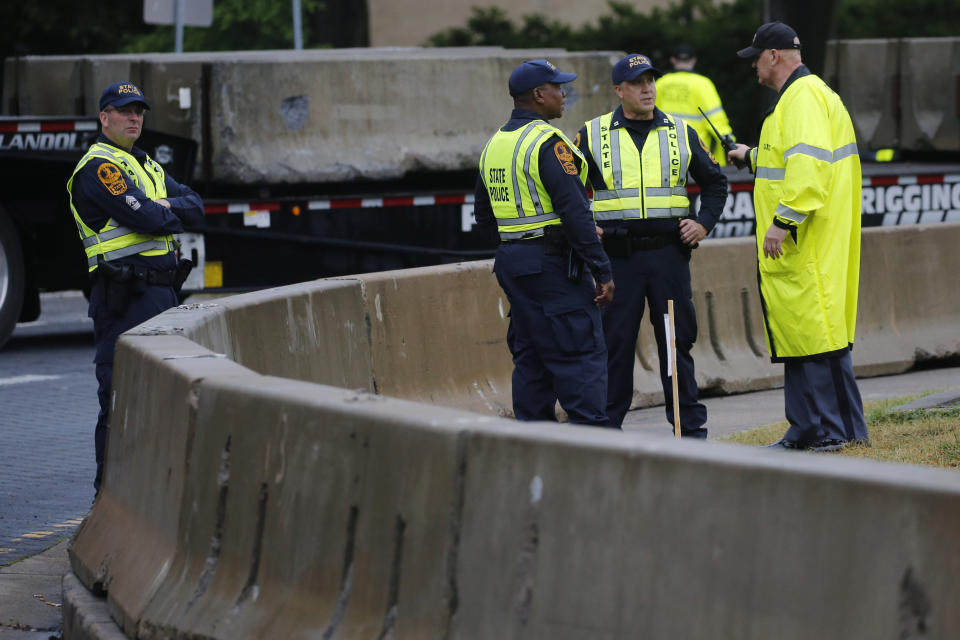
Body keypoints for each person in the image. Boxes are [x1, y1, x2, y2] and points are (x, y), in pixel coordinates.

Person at [727, 22, 868, 451]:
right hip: (806, 243)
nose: (753, 65)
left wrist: (782, 221)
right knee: (801, 335)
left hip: (805, 240)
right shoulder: (800, 98)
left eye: (755, 56)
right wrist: (750, 156)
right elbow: (788, 158)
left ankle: (837, 431)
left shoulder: (802, 98)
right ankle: (806, 428)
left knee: (818, 334)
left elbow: (808, 168)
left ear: (773, 55)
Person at [574, 54, 728, 434]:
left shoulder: (680, 131)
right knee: (615, 346)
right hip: (617, 260)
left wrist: (703, 223)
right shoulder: (590, 135)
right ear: (618, 90)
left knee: (676, 345)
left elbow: (716, 183)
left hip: (667, 257)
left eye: (651, 81)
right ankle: (606, 431)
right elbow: (568, 192)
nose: (648, 89)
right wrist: (585, 228)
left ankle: (688, 429)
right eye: (638, 82)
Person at [67, 81, 204, 494]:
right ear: (104, 117)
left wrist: (162, 206)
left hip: (162, 296)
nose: (134, 118)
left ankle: (154, 493)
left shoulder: (147, 165)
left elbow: (197, 207)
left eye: (139, 111)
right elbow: (151, 219)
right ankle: (107, 500)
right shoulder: (100, 167)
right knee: (122, 402)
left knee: (166, 402)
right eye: (125, 111)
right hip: (125, 302)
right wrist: (162, 208)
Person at [474, 59, 616, 427]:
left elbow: (485, 217)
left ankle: (535, 449)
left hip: (514, 264)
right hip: (554, 268)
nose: (563, 93)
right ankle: (593, 448)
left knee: (532, 358)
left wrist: (518, 244)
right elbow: (575, 212)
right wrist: (602, 270)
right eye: (557, 87)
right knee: (579, 356)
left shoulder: (495, 145)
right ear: (538, 95)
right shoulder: (548, 144)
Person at [655, 43, 736, 167]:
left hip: (663, 154)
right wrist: (732, 146)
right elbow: (717, 121)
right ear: (694, 60)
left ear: (672, 60)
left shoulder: (660, 83)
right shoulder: (703, 84)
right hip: (697, 156)